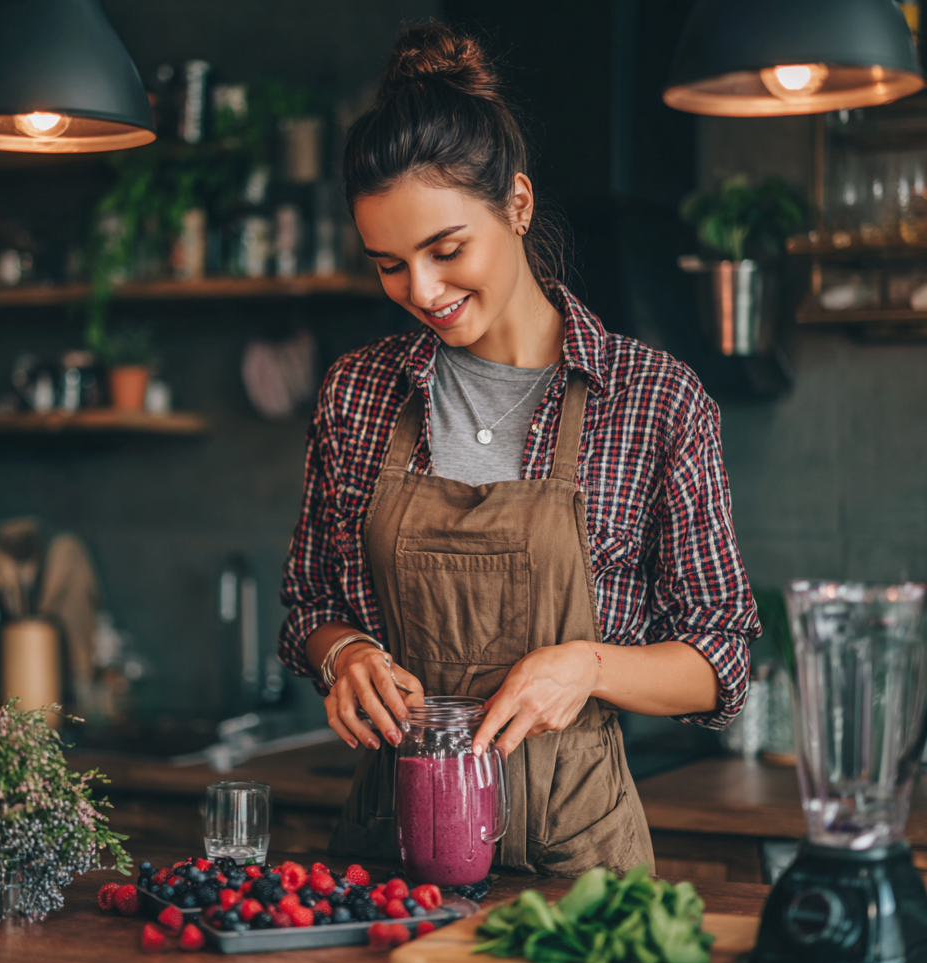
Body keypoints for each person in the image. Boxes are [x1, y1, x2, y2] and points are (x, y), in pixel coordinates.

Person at [278, 23, 760, 875]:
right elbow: (311, 603)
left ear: (519, 205)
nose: (421, 292)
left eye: (446, 249)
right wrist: (343, 655)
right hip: (389, 871)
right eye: (389, 265)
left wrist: (589, 667)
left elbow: (720, 658)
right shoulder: (357, 392)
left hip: (583, 875)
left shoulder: (653, 401)